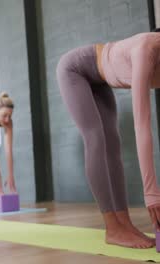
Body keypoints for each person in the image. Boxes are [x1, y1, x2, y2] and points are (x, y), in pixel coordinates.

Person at [56, 31, 160, 249]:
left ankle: (125, 225)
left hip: (100, 79)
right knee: (95, 138)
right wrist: (152, 193)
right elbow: (142, 124)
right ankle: (112, 228)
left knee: (113, 145)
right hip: (75, 70)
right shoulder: (147, 49)